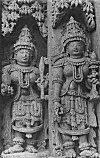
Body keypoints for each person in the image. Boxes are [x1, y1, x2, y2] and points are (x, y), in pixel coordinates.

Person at [52, 17, 99, 157]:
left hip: (81, 95)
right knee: (66, 120)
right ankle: (68, 147)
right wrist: (55, 100)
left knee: (81, 119)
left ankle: (84, 144)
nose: (76, 47)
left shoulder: (88, 61)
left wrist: (92, 82)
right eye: (72, 44)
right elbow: (57, 81)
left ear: (84, 46)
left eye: (79, 44)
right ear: (66, 47)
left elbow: (90, 81)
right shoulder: (61, 62)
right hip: (65, 95)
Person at [1, 25, 47, 154]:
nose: (25, 55)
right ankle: (18, 142)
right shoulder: (9, 69)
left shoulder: (36, 70)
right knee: (18, 118)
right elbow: (5, 84)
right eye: (22, 52)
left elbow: (41, 85)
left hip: (34, 98)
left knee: (34, 118)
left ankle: (32, 143)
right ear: (15, 54)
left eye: (28, 53)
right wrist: (5, 88)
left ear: (32, 55)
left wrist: (42, 84)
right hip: (18, 98)